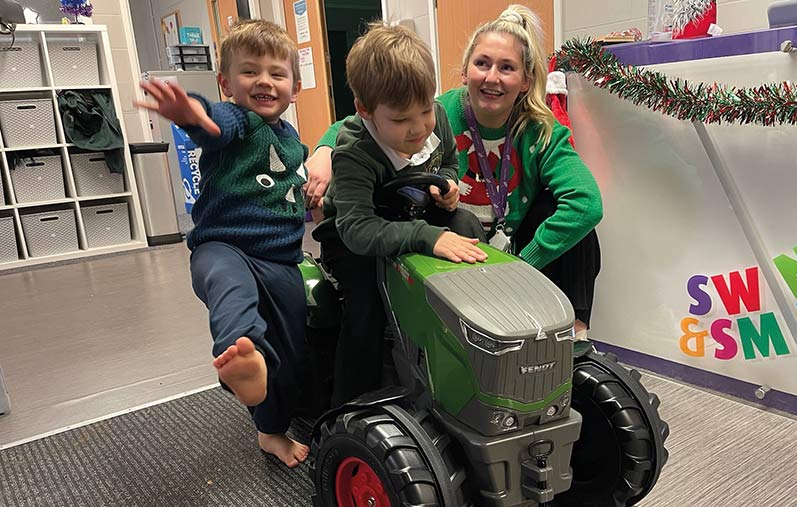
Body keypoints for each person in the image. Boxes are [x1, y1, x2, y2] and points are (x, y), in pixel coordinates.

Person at [309, 4, 603, 340]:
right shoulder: (440, 110)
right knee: (368, 297)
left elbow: (587, 202)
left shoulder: (540, 130)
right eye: (482, 64)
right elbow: (367, 124)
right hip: (452, 232)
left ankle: (575, 337)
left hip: (513, 245)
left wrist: (523, 263)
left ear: (526, 81)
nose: (492, 78)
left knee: (573, 224)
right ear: (465, 71)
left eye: (507, 68)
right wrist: (324, 149)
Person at [135, 19, 312, 467]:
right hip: (224, 248)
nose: (264, 81)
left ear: (295, 86)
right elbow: (211, 122)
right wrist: (191, 112)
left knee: (292, 352)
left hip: (281, 260)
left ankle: (270, 428)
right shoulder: (237, 121)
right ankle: (238, 353)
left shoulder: (293, 141)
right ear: (226, 82)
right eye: (249, 71)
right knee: (235, 303)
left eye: (277, 73)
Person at [312, 22, 488, 406]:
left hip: (416, 214)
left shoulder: (436, 117)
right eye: (401, 120)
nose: (419, 128)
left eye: (424, 111)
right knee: (367, 306)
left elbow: (449, 163)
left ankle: (472, 361)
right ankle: (350, 410)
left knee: (468, 226)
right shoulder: (354, 153)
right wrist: (426, 236)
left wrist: (448, 183)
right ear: (365, 111)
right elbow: (358, 228)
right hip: (354, 235)